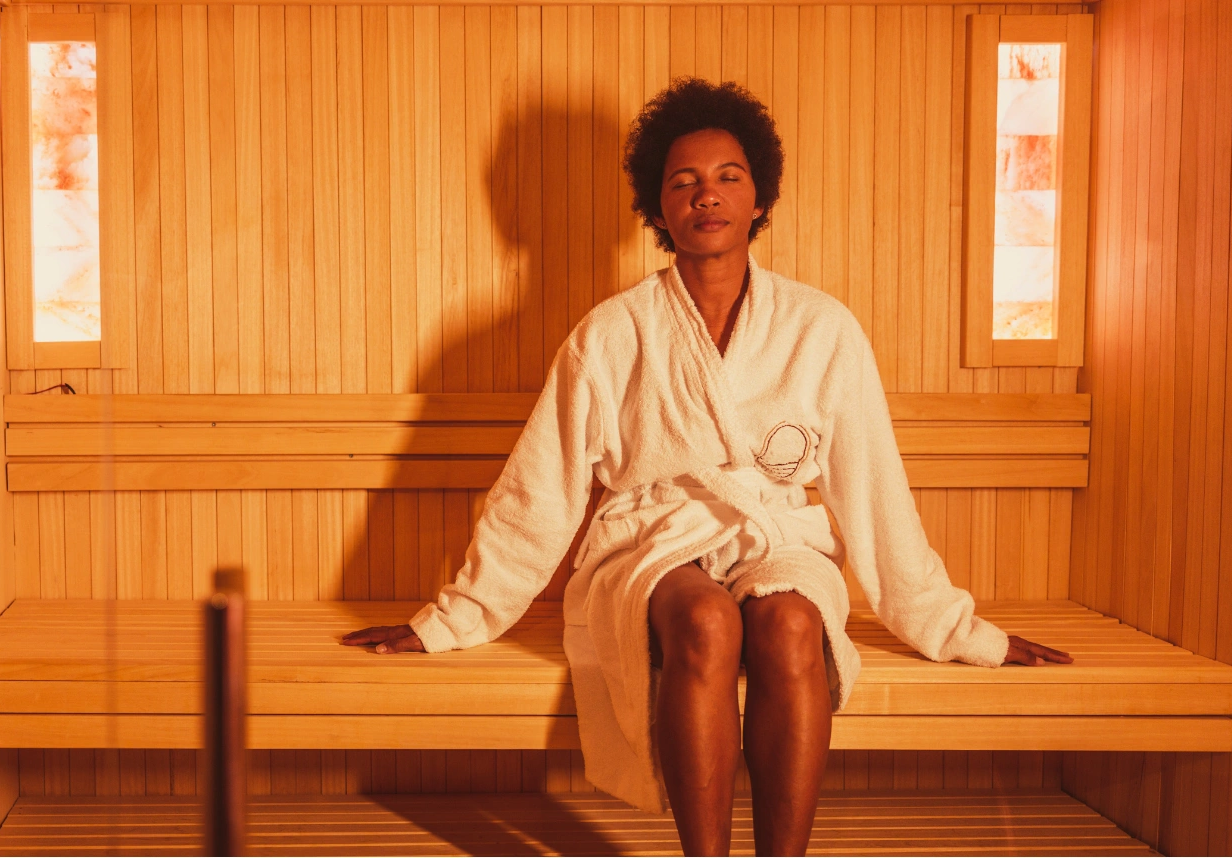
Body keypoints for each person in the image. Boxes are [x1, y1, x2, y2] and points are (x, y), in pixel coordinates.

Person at [342, 76, 1072, 857]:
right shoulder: (612, 334)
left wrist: (957, 628)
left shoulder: (821, 330)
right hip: (649, 543)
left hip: (775, 537)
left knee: (792, 621)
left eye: (728, 177)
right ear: (657, 210)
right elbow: (540, 489)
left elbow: (873, 490)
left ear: (760, 197)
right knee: (706, 617)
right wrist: (453, 618)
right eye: (683, 182)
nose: (707, 196)